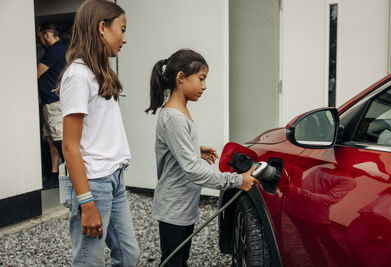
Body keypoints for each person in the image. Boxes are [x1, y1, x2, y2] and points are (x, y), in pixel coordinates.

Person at [145, 49, 259, 267]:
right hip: (174, 208)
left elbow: (176, 149)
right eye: (201, 78)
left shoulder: (179, 112)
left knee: (180, 260)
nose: (204, 86)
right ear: (181, 78)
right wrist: (237, 180)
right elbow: (193, 171)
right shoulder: (174, 117)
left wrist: (194, 149)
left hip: (182, 206)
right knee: (173, 262)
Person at [59, 0, 140, 266]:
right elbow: (70, 147)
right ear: (102, 27)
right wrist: (86, 202)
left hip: (114, 179)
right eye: (122, 29)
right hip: (93, 184)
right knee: (88, 261)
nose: (125, 39)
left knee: (129, 257)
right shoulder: (78, 76)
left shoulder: (100, 72)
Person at [37, 21, 67, 189]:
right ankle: (55, 174)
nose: (40, 40)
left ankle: (69, 177)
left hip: (54, 103)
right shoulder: (60, 49)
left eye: (39, 36)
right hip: (50, 103)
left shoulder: (55, 51)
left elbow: (35, 74)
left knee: (59, 140)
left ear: (47, 35)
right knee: (50, 139)